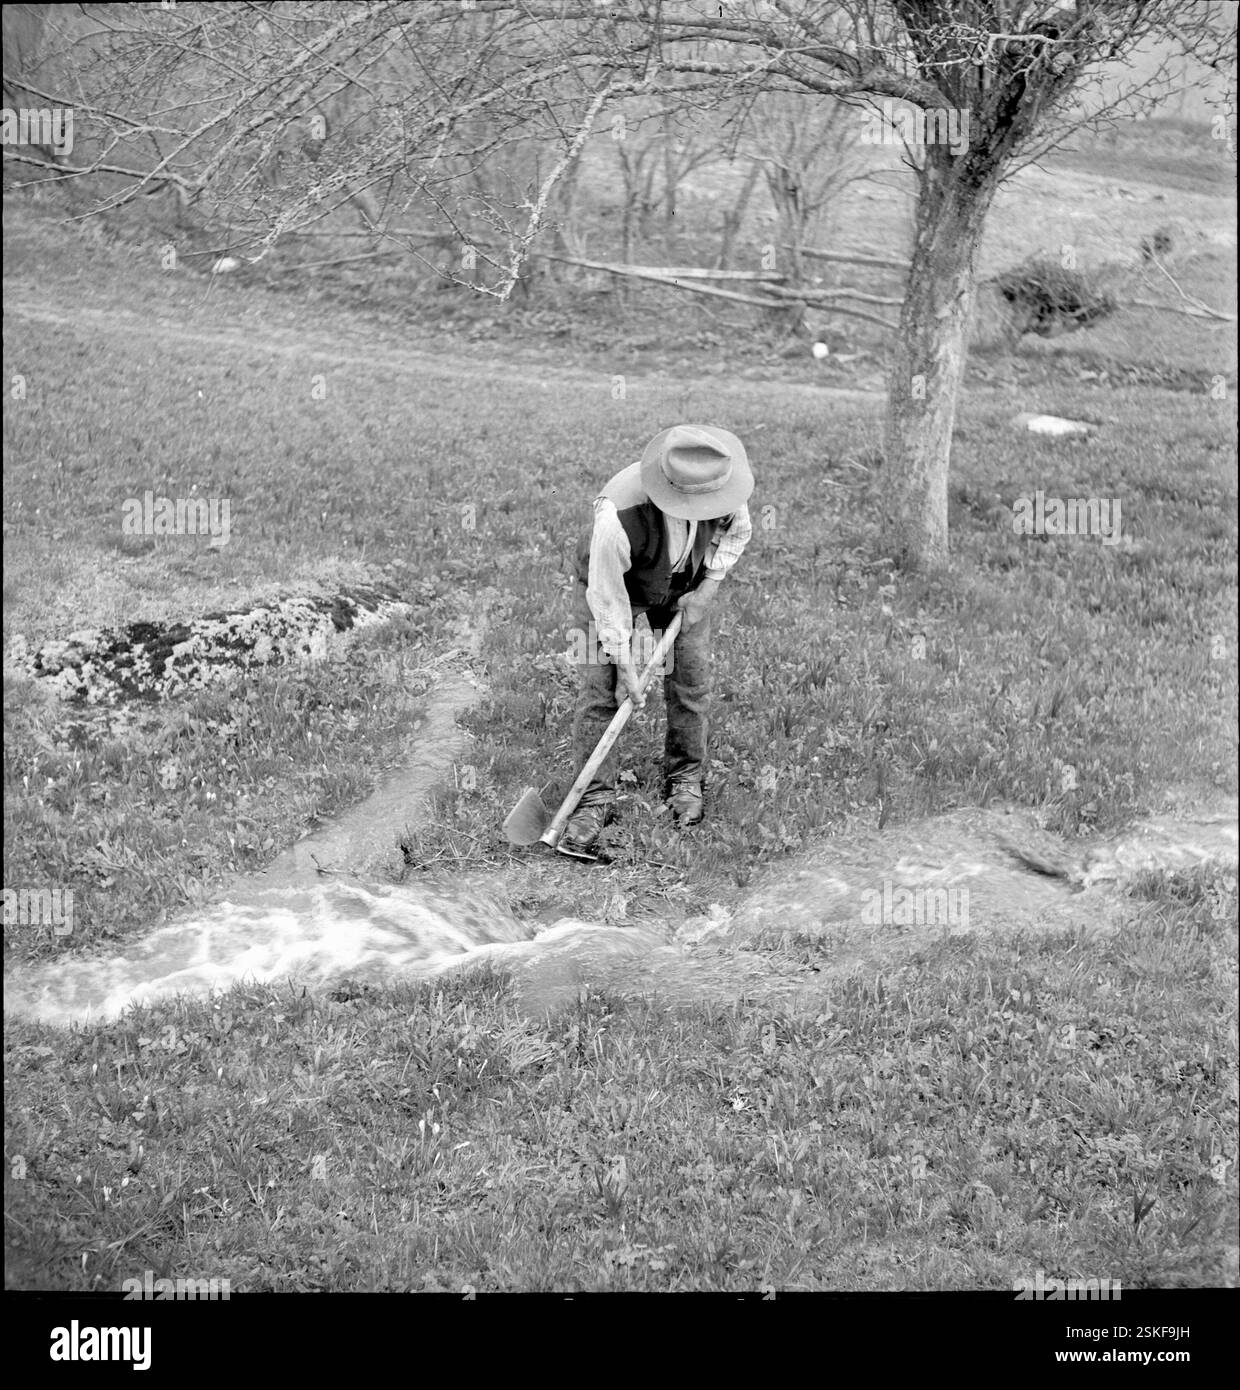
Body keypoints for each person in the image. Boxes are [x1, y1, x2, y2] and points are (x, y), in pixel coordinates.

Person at [560, 424, 754, 861]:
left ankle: (685, 776)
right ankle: (592, 800)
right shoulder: (618, 518)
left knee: (690, 679)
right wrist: (625, 664)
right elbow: (607, 600)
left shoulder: (720, 481)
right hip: (613, 590)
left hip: (685, 584)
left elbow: (737, 532)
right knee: (601, 690)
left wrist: (706, 590)